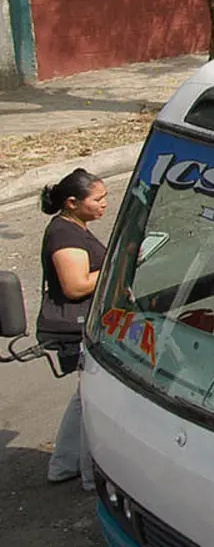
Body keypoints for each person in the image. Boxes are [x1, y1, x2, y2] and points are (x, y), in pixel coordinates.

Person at [38, 168, 108, 491]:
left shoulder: (74, 227)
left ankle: (62, 465)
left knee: (83, 396)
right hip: (76, 327)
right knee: (93, 397)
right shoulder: (64, 235)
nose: (104, 204)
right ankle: (90, 475)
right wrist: (116, 266)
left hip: (85, 323)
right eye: (98, 199)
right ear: (72, 202)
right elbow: (76, 285)